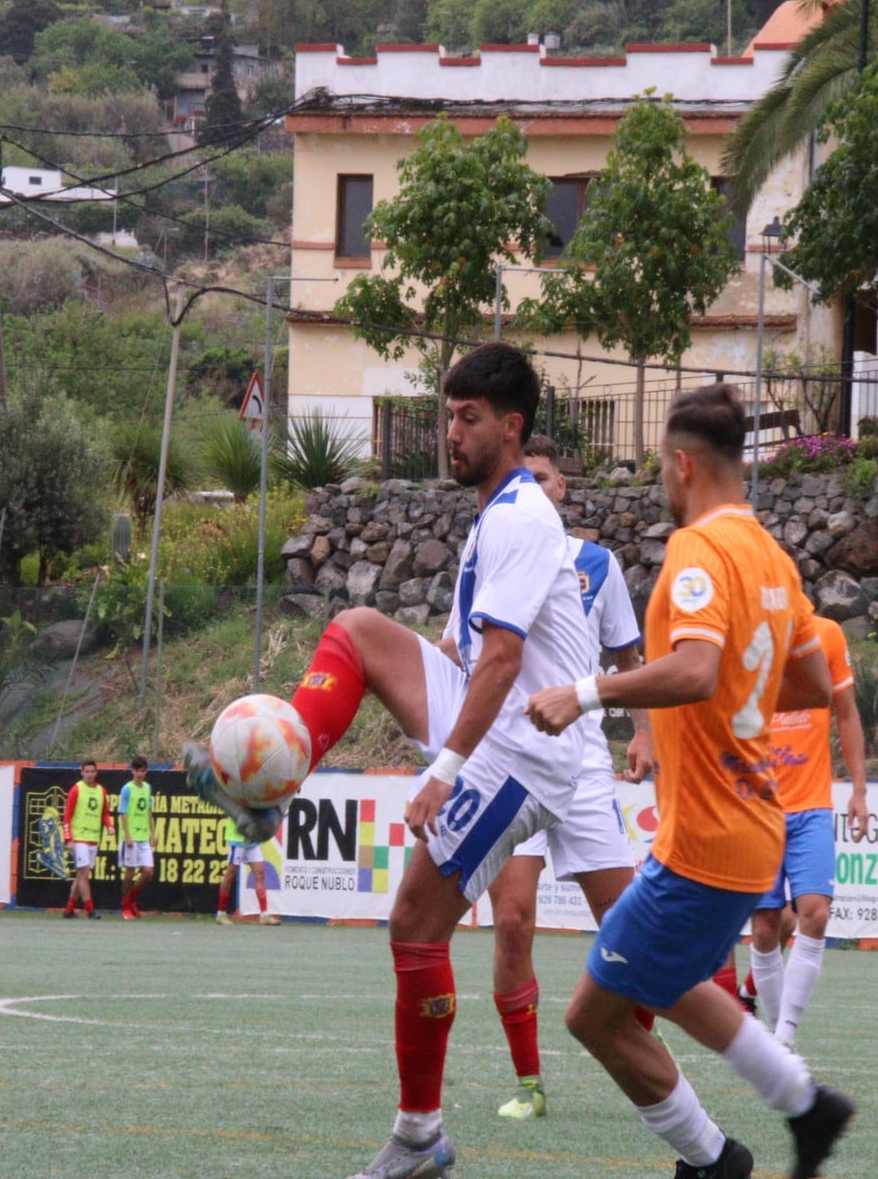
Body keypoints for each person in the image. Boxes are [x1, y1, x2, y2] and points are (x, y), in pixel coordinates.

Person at [184, 341, 598, 1179]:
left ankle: (420, 1140)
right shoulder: (497, 514)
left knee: (429, 925)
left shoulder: (522, 516)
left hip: (526, 748)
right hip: (509, 725)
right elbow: (473, 649)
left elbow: (507, 665)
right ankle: (275, 784)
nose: (451, 432)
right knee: (360, 631)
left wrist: (442, 771)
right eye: (447, 415)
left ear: (511, 427)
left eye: (468, 418)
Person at [526, 383, 854, 1179]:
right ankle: (804, 1107)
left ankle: (715, 1159)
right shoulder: (772, 558)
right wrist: (736, 684)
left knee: (595, 1016)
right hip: (751, 831)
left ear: (682, 465)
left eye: (661, 474)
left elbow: (700, 668)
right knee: (664, 982)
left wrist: (588, 693)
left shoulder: (700, 551)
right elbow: (811, 686)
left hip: (706, 840)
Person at [486, 434, 655, 1121]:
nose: (534, 487)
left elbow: (626, 653)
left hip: (583, 762)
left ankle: (645, 1064)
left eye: (545, 477)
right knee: (513, 922)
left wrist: (642, 730)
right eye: (522, 477)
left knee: (622, 925)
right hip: (508, 762)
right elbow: (459, 648)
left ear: (562, 490)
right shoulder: (492, 551)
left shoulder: (597, 563)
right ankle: (529, 1084)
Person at [748, 615, 869, 1050]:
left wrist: (858, 789)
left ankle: (784, 1037)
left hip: (812, 806)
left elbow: (848, 713)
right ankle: (779, 1035)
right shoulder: (746, 635)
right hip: (757, 809)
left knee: (815, 913)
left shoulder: (828, 634)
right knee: (765, 927)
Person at [62, 760, 113, 919]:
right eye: (87, 771)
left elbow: (104, 812)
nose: (90, 774)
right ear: (82, 772)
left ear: (96, 772)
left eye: (92, 771)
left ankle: (69, 909)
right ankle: (90, 909)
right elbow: (67, 816)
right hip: (79, 838)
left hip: (93, 838)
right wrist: (68, 839)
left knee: (81, 875)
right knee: (84, 874)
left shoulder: (101, 791)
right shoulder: (76, 790)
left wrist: (109, 825)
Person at [214, 815, 276, 925]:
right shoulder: (237, 798)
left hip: (252, 839)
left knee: (260, 873)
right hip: (237, 838)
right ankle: (221, 913)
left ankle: (264, 915)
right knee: (230, 875)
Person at [117, 755, 157, 921]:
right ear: (132, 771)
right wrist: (128, 837)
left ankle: (131, 900)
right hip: (131, 837)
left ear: (146, 772)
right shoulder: (127, 789)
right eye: (137, 771)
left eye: (142, 771)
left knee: (148, 872)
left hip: (144, 837)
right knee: (130, 872)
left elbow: (149, 812)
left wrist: (153, 833)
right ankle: (125, 906)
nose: (139, 774)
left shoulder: (147, 788)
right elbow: (123, 814)